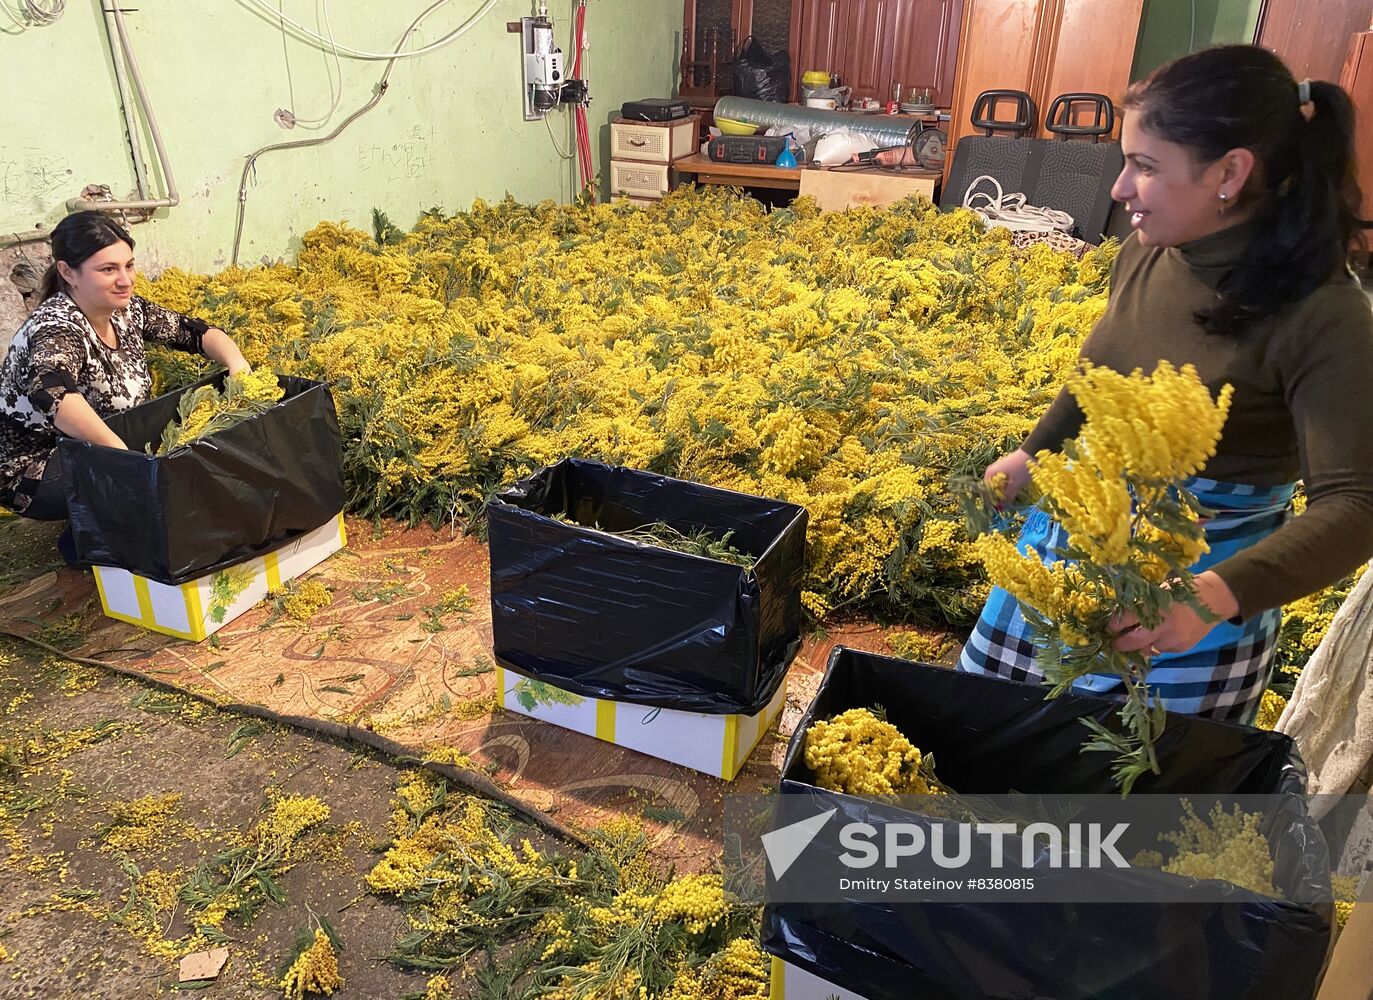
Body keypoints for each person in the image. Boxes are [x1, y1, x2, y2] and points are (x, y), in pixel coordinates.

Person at [958, 45, 1373, 724]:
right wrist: (1034, 454)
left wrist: (1209, 598)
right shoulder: (1147, 255)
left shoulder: (1324, 316)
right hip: (1064, 558)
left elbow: (1356, 504)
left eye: (1144, 167)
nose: (1118, 190)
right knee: (985, 751)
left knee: (1122, 817)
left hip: (1186, 612)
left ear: (1229, 173)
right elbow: (1099, 373)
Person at [0, 211, 249, 520]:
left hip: (98, 443)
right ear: (68, 272)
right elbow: (52, 393)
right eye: (108, 269)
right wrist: (124, 459)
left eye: (129, 265)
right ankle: (91, 541)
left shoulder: (125, 309)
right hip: (37, 469)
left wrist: (237, 366)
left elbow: (194, 333)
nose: (125, 280)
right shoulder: (56, 326)